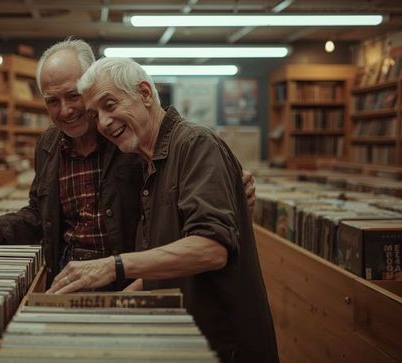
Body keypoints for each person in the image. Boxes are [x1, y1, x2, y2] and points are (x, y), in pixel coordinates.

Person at [0, 38, 257, 286]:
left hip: (133, 273)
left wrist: (226, 189)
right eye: (52, 101)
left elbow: (179, 198)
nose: (66, 110)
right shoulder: (49, 145)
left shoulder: (132, 138)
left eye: (74, 96)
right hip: (70, 273)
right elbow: (41, 211)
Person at [47, 56, 277, 363]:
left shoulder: (195, 143)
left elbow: (212, 248)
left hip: (224, 345)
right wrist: (108, 310)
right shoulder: (149, 163)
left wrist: (111, 265)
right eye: (95, 114)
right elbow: (167, 263)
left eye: (110, 105)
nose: (102, 122)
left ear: (144, 93)